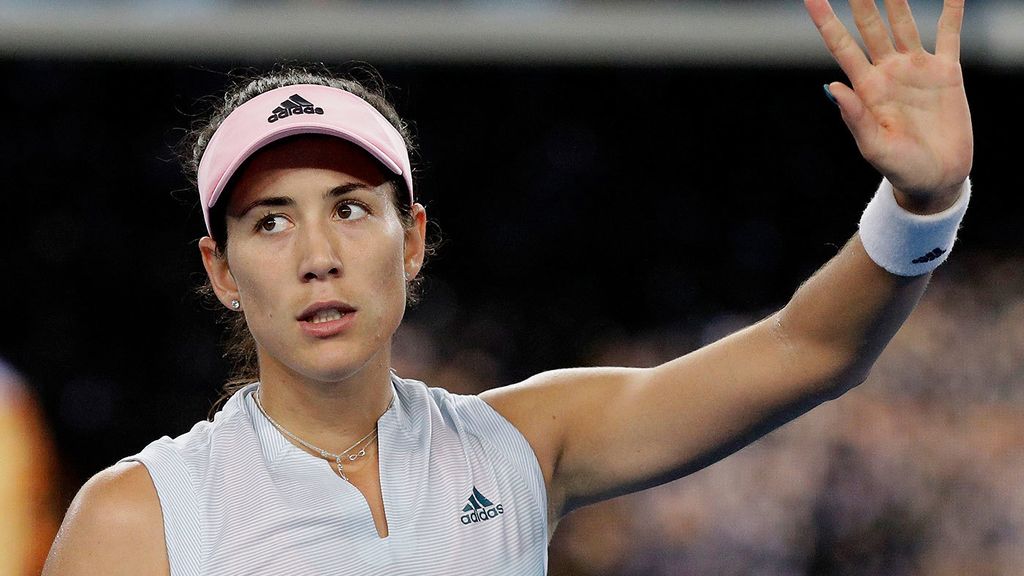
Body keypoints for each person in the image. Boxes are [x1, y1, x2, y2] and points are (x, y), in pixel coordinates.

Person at [42, 0, 974, 574]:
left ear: (411, 242)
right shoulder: (142, 517)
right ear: (222, 270)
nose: (316, 254)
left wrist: (920, 203)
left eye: (352, 209)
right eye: (270, 220)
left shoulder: (521, 448)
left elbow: (810, 349)